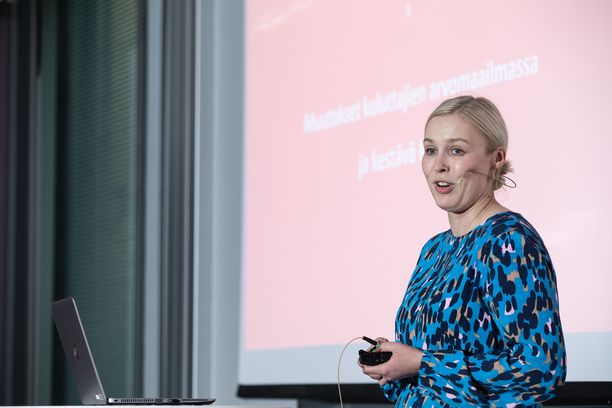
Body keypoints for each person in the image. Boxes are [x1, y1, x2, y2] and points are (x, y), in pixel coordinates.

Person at [360, 95, 566, 407]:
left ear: (496, 158)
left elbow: (540, 372)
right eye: (431, 150)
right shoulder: (434, 250)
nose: (439, 165)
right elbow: (428, 387)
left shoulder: (508, 240)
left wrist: (423, 363)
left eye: (456, 150)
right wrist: (393, 366)